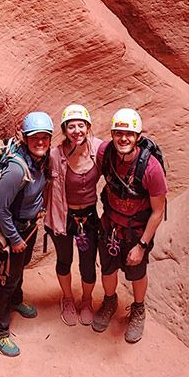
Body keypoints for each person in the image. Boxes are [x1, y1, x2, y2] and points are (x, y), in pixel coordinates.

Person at [92, 107, 167, 344]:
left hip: (137, 231)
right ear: (112, 134)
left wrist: (142, 245)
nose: (123, 138)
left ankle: (138, 309)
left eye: (129, 134)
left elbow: (158, 211)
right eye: (118, 133)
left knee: (137, 272)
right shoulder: (106, 153)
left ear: (138, 137)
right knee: (107, 268)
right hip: (110, 225)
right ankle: (110, 300)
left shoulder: (151, 168)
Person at [0, 111, 53, 357]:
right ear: (25, 139)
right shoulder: (17, 169)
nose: (40, 142)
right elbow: (0, 208)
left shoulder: (40, 161)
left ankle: (16, 300)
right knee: (7, 280)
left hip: (28, 228)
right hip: (11, 232)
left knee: (19, 269)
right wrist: (13, 239)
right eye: (34, 137)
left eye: (44, 138)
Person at [46, 104, 105, 326]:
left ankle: (87, 300)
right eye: (71, 126)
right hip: (63, 217)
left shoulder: (98, 150)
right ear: (64, 129)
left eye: (81, 125)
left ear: (88, 127)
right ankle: (68, 298)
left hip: (88, 218)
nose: (77, 130)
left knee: (88, 264)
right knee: (64, 260)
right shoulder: (54, 155)